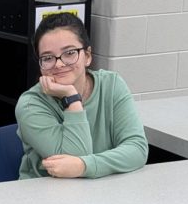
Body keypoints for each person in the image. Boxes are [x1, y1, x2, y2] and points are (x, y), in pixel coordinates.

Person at [15, 12, 147, 180]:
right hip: (45, 197)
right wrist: (71, 97)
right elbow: (72, 161)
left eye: (69, 53)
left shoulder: (112, 85)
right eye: (48, 57)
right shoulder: (30, 104)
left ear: (88, 56)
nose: (59, 64)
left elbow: (137, 149)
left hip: (103, 190)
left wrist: (84, 166)